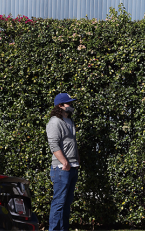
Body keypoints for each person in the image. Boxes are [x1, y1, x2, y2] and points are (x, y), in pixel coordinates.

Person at [46, 92, 80, 231]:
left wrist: (77, 159)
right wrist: (64, 162)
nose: (71, 106)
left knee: (66, 204)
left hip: (72, 167)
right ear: (60, 105)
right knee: (59, 203)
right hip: (61, 168)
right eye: (69, 104)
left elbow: (72, 142)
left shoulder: (69, 121)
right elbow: (53, 145)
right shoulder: (54, 122)